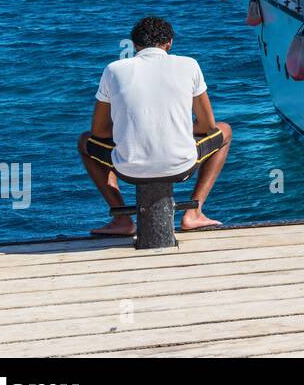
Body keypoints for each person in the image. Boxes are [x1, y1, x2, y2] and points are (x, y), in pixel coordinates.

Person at [78, 16, 231, 236]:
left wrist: (130, 128)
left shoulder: (114, 70)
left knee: (85, 142)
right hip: (181, 166)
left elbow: (98, 131)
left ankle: (122, 218)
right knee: (224, 130)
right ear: (169, 43)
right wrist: (175, 126)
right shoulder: (189, 65)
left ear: (134, 45)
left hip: (128, 169)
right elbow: (208, 126)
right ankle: (194, 212)